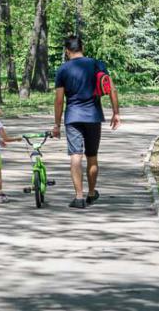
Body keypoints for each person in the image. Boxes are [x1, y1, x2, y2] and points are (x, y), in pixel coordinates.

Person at [52, 36, 121, 209]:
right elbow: (111, 88)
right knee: (92, 156)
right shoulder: (97, 64)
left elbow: (59, 100)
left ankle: (79, 197)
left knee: (76, 156)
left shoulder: (63, 69)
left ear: (67, 51)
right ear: (82, 47)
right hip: (93, 116)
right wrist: (116, 113)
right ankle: (91, 193)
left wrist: (57, 124)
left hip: (73, 117)